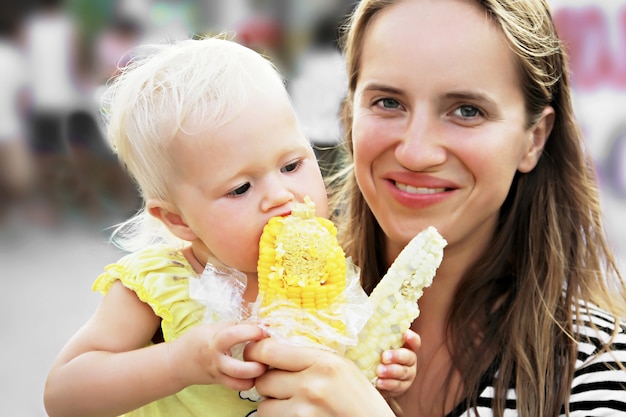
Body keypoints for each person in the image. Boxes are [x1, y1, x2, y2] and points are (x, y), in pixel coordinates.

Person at [244, 0, 626, 416]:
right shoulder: (238, 317)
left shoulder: (597, 368)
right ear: (348, 116)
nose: (416, 152)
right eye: (388, 102)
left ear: (533, 138)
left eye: (467, 111)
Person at [43, 36, 417, 417]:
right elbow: (63, 395)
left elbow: (337, 383)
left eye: (292, 165)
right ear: (178, 219)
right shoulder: (163, 284)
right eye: (240, 188)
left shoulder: (332, 274)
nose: (280, 195)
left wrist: (380, 370)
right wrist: (177, 364)